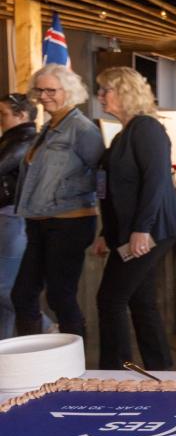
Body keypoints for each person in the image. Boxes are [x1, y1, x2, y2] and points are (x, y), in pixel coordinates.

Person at [91, 67, 176, 370]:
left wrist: (141, 230)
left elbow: (156, 181)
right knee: (140, 301)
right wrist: (108, 232)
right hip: (134, 231)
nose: (100, 96)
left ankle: (113, 372)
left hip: (151, 231)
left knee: (110, 298)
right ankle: (161, 369)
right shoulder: (125, 133)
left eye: (106, 90)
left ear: (125, 92)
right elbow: (118, 189)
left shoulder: (146, 128)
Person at [13, 65, 104, 337]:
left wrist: (68, 189)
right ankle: (34, 360)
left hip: (70, 222)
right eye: (39, 89)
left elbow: (102, 175)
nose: (43, 96)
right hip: (39, 221)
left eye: (51, 90)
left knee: (60, 296)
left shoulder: (81, 128)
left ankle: (78, 365)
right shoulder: (48, 127)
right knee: (23, 294)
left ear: (69, 91)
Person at [0, 93, 38, 339]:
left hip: (13, 216)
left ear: (21, 114)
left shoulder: (24, 140)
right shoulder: (14, 139)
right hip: (10, 215)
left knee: (6, 288)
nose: (0, 119)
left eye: (4, 114)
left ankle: (43, 328)